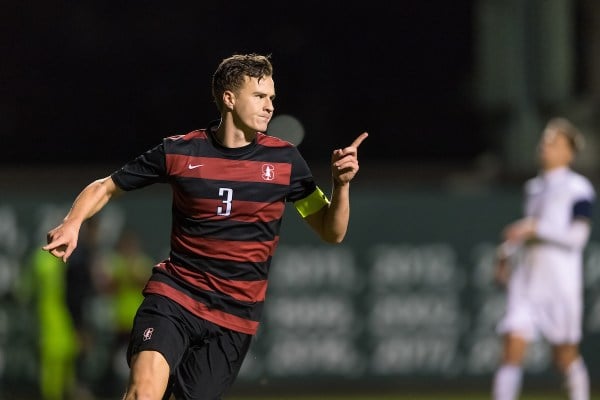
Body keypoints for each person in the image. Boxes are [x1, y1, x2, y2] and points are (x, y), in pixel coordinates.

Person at [43, 53, 368, 400]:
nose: (269, 106)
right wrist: (72, 223)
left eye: (272, 98)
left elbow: (332, 232)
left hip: (234, 317)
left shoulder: (285, 161)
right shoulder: (181, 152)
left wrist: (342, 185)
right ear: (229, 98)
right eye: (259, 96)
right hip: (175, 297)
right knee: (143, 393)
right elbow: (106, 185)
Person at [492, 117, 594, 400]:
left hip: (560, 284)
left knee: (565, 356)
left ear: (569, 152)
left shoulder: (579, 188)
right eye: (545, 140)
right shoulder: (533, 188)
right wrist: (505, 255)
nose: (545, 146)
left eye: (554, 142)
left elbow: (577, 238)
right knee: (511, 348)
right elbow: (526, 235)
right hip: (527, 282)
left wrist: (535, 228)